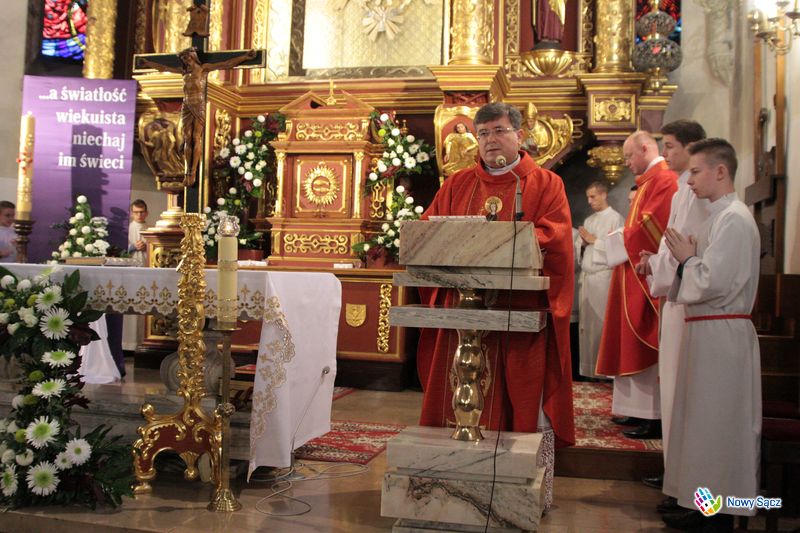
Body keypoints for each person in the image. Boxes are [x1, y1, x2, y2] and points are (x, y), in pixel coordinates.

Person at [418, 102, 575, 510]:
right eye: (483, 133)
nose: (490, 140)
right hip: (463, 310)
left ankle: (523, 493)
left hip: (518, 309)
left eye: (499, 131)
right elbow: (428, 231)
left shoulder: (545, 184)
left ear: (519, 136)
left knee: (521, 393)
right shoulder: (457, 185)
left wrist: (502, 241)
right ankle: (452, 489)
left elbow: (555, 238)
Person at [659, 138, 761, 531]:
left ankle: (716, 514)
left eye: (696, 172)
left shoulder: (734, 218)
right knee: (700, 424)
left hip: (722, 335)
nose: (689, 181)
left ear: (720, 171)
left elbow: (713, 281)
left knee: (718, 426)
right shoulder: (718, 217)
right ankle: (698, 501)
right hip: (708, 331)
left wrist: (687, 259)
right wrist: (685, 261)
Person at [635, 119, 707, 498]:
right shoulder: (683, 189)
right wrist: (656, 261)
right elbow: (672, 246)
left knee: (683, 395)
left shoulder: (697, 194)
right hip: (678, 297)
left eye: (670, 146)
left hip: (690, 302)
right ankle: (675, 478)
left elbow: (686, 248)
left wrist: (660, 263)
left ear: (692, 147)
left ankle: (682, 484)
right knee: (674, 392)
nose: (665, 154)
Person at [595, 131, 677, 439]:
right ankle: (635, 410)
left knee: (643, 344)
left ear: (645, 148)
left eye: (629, 156)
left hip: (645, 272)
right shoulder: (648, 182)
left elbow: (653, 227)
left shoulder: (665, 180)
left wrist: (616, 241)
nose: (627, 162)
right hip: (631, 271)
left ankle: (652, 416)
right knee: (627, 342)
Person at [138, 47, 257, 188]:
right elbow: (164, 68)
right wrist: (148, 63)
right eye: (184, 59)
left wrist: (245, 57)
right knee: (187, 138)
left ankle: (193, 170)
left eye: (187, 58)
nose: (186, 61)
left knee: (196, 137)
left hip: (198, 105)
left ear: (193, 57)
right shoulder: (184, 72)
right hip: (187, 106)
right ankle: (187, 171)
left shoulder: (203, 69)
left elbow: (226, 64)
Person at [575, 182, 624, 379]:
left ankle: (604, 371)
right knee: (586, 326)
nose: (589, 201)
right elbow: (581, 249)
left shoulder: (615, 218)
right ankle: (588, 370)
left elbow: (619, 249)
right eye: (588, 197)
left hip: (604, 277)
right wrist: (583, 244)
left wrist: (594, 241)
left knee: (602, 324)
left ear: (604, 195)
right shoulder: (589, 220)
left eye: (593, 196)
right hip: (587, 277)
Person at [128, 199, 149, 265]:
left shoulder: (151, 229)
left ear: (146, 213)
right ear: (131, 214)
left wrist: (147, 247)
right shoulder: (127, 229)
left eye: (141, 212)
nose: (139, 215)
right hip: (130, 262)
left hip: (146, 263)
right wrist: (133, 246)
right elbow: (120, 249)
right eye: (136, 212)